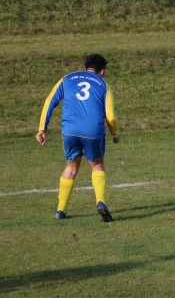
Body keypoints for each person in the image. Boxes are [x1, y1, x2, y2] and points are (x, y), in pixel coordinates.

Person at [36, 54, 120, 222]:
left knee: (71, 167)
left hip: (70, 130)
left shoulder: (67, 79)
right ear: (102, 71)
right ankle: (101, 202)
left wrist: (42, 129)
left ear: (86, 67)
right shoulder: (104, 84)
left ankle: (61, 210)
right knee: (96, 165)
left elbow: (49, 101)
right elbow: (110, 116)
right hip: (93, 131)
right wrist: (115, 134)